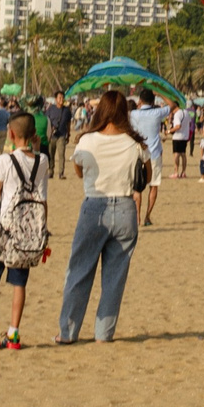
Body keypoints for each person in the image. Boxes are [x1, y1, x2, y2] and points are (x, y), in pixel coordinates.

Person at [62, 91, 145, 343]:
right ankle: (103, 334)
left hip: (94, 207)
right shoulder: (135, 143)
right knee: (114, 277)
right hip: (125, 208)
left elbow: (79, 170)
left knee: (79, 272)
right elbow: (146, 177)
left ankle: (68, 333)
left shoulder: (87, 140)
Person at [0, 112, 49, 351]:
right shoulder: (43, 161)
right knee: (19, 282)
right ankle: (14, 334)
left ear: (11, 134)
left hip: (0, 226)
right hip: (28, 229)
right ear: (34, 135)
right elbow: (43, 198)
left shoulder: (5, 160)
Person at [129, 94, 166, 225]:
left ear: (140, 100)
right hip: (154, 153)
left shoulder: (134, 114)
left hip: (139, 153)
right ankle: (147, 216)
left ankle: (137, 216)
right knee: (153, 186)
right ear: (153, 101)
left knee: (137, 187)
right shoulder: (157, 112)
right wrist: (160, 93)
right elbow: (173, 105)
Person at [40, 94, 69, 179]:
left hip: (62, 135)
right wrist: (49, 130)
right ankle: (51, 171)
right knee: (51, 154)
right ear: (56, 99)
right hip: (52, 135)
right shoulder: (51, 109)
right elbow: (47, 120)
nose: (61, 99)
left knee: (61, 154)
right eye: (60, 98)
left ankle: (61, 173)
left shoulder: (67, 110)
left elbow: (68, 123)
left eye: (63, 97)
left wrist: (69, 134)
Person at [171, 100, 193, 179]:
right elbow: (189, 123)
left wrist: (169, 131)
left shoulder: (177, 114)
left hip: (177, 137)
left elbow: (178, 126)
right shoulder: (186, 112)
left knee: (176, 154)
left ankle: (176, 172)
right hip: (185, 136)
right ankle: (183, 172)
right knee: (183, 154)